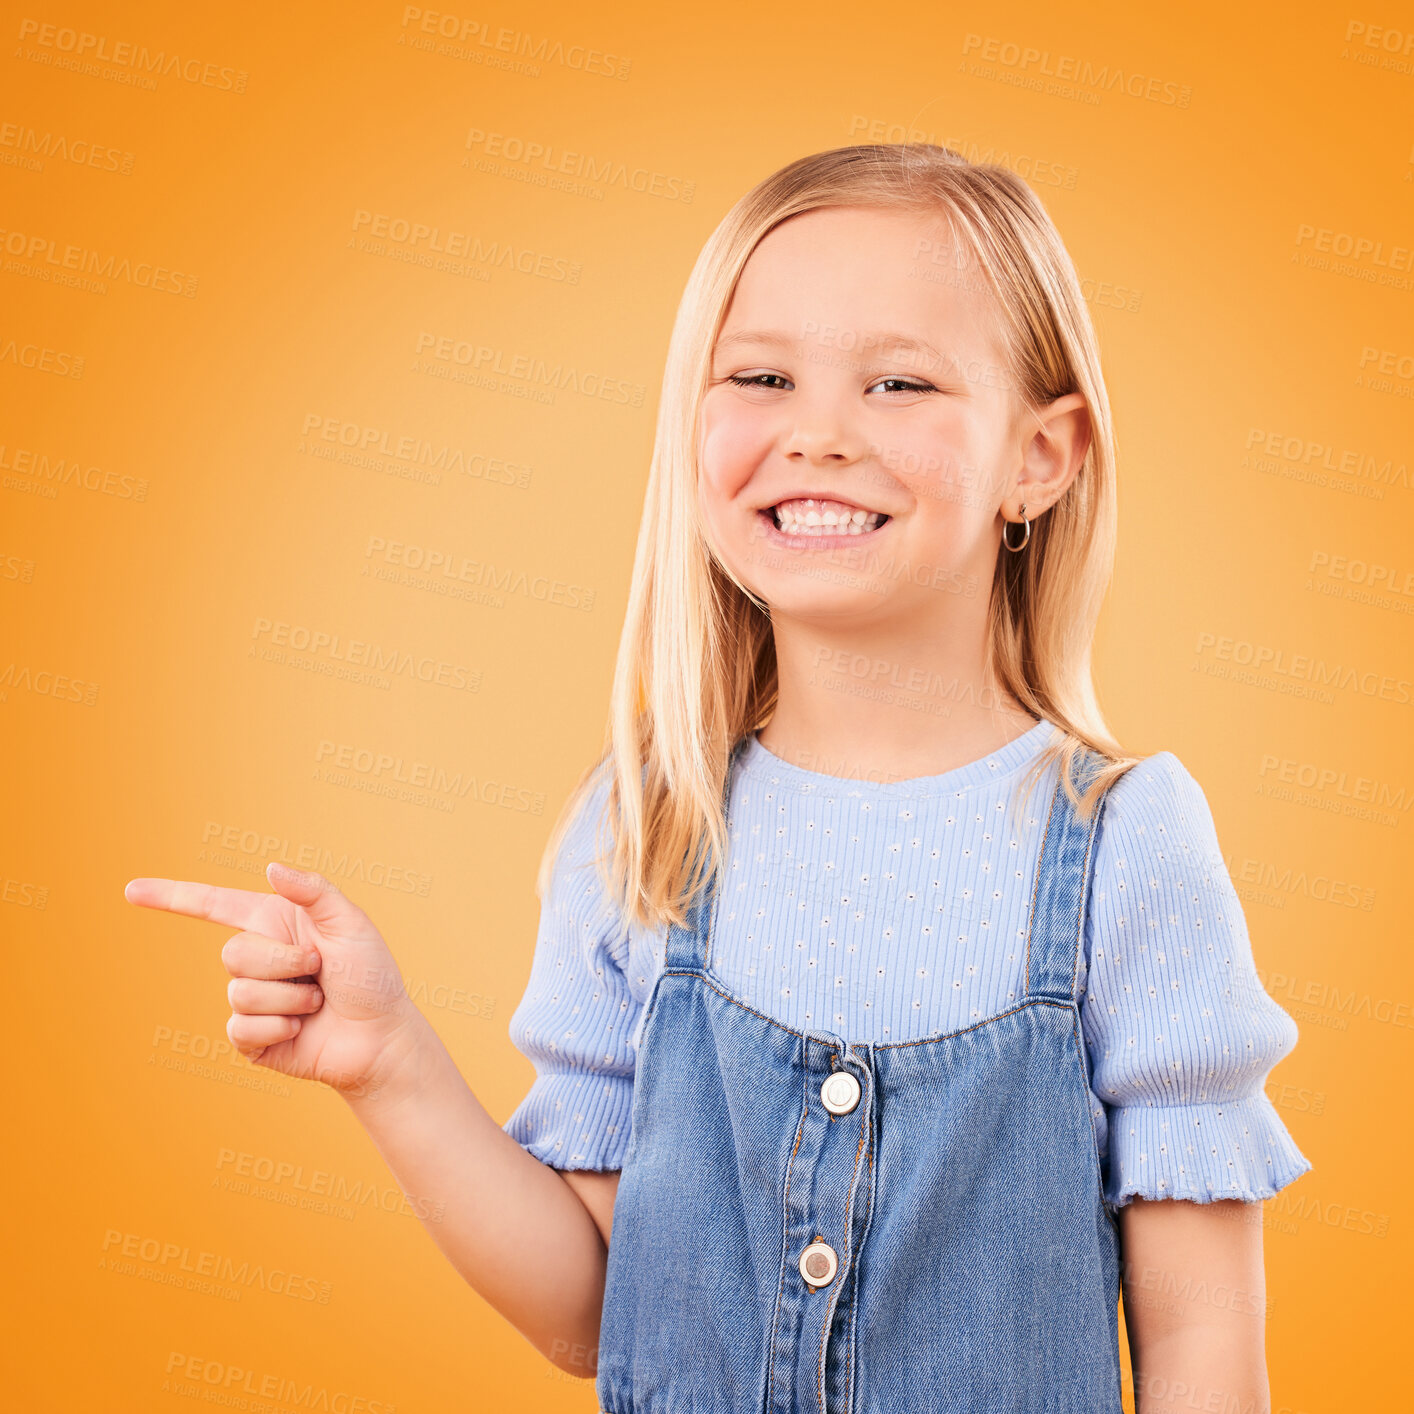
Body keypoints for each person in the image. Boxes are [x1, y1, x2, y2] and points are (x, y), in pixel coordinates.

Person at [126, 144, 1311, 1413]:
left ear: (1043, 454)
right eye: (760, 376)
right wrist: (388, 1059)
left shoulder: (1124, 844)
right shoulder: (646, 828)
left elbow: (1200, 1356)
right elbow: (586, 1306)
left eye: (898, 381)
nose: (816, 433)